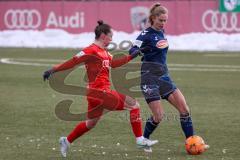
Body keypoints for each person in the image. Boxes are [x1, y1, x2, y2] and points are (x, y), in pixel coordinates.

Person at [43, 20, 158, 157]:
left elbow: (115, 63)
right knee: (134, 105)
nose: (112, 39)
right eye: (111, 36)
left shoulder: (104, 52)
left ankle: (66, 141)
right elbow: (73, 62)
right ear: (103, 35)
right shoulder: (90, 50)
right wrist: (53, 70)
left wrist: (134, 55)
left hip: (94, 95)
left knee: (90, 124)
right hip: (100, 93)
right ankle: (140, 139)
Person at [129, 3, 208, 147]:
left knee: (184, 110)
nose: (163, 23)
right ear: (153, 18)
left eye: (165, 20)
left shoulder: (161, 32)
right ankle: (143, 139)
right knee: (158, 116)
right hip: (149, 77)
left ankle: (192, 142)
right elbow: (132, 50)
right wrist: (138, 51)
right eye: (160, 20)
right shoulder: (145, 34)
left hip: (164, 77)